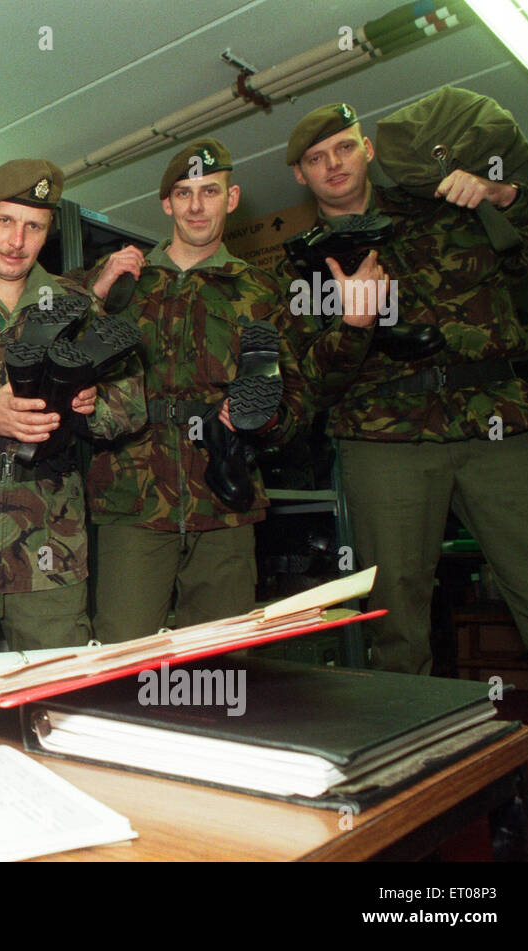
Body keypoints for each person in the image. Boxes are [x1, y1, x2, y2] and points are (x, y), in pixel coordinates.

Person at [285, 103, 528, 679]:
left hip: (495, 420)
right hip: (385, 441)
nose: (334, 165)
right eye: (315, 159)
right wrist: (354, 324)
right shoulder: (304, 269)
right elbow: (311, 384)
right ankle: (415, 765)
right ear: (301, 175)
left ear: (368, 151)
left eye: (345, 147)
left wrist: (505, 196)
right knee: (396, 622)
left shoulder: (446, 205)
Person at [75, 139, 311, 641]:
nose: (197, 206)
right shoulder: (121, 283)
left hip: (226, 496)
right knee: (122, 655)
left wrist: (263, 420)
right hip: (131, 495)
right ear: (166, 204)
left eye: (210, 191)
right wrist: (95, 300)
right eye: (183, 193)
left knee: (223, 663)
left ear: (232, 198)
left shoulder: (260, 290)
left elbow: (296, 398)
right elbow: (62, 355)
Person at [0, 159, 144, 653]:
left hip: (52, 531)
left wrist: (91, 406)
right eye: (6, 221)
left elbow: (131, 405)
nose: (17, 240)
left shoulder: (76, 304)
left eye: (34, 226)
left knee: (57, 687)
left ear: (48, 232)